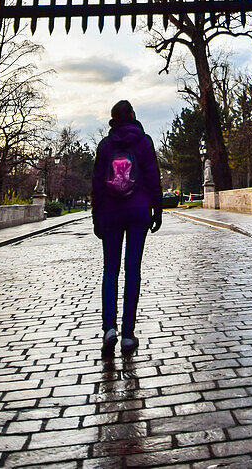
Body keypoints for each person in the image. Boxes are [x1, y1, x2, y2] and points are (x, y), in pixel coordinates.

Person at [92, 99, 162, 354]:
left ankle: (109, 328)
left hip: (110, 213)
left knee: (110, 270)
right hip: (138, 210)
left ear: (113, 120)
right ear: (132, 115)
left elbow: (98, 183)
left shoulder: (105, 146)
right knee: (133, 270)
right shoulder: (144, 142)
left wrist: (96, 216)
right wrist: (157, 208)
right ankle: (128, 335)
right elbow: (152, 176)